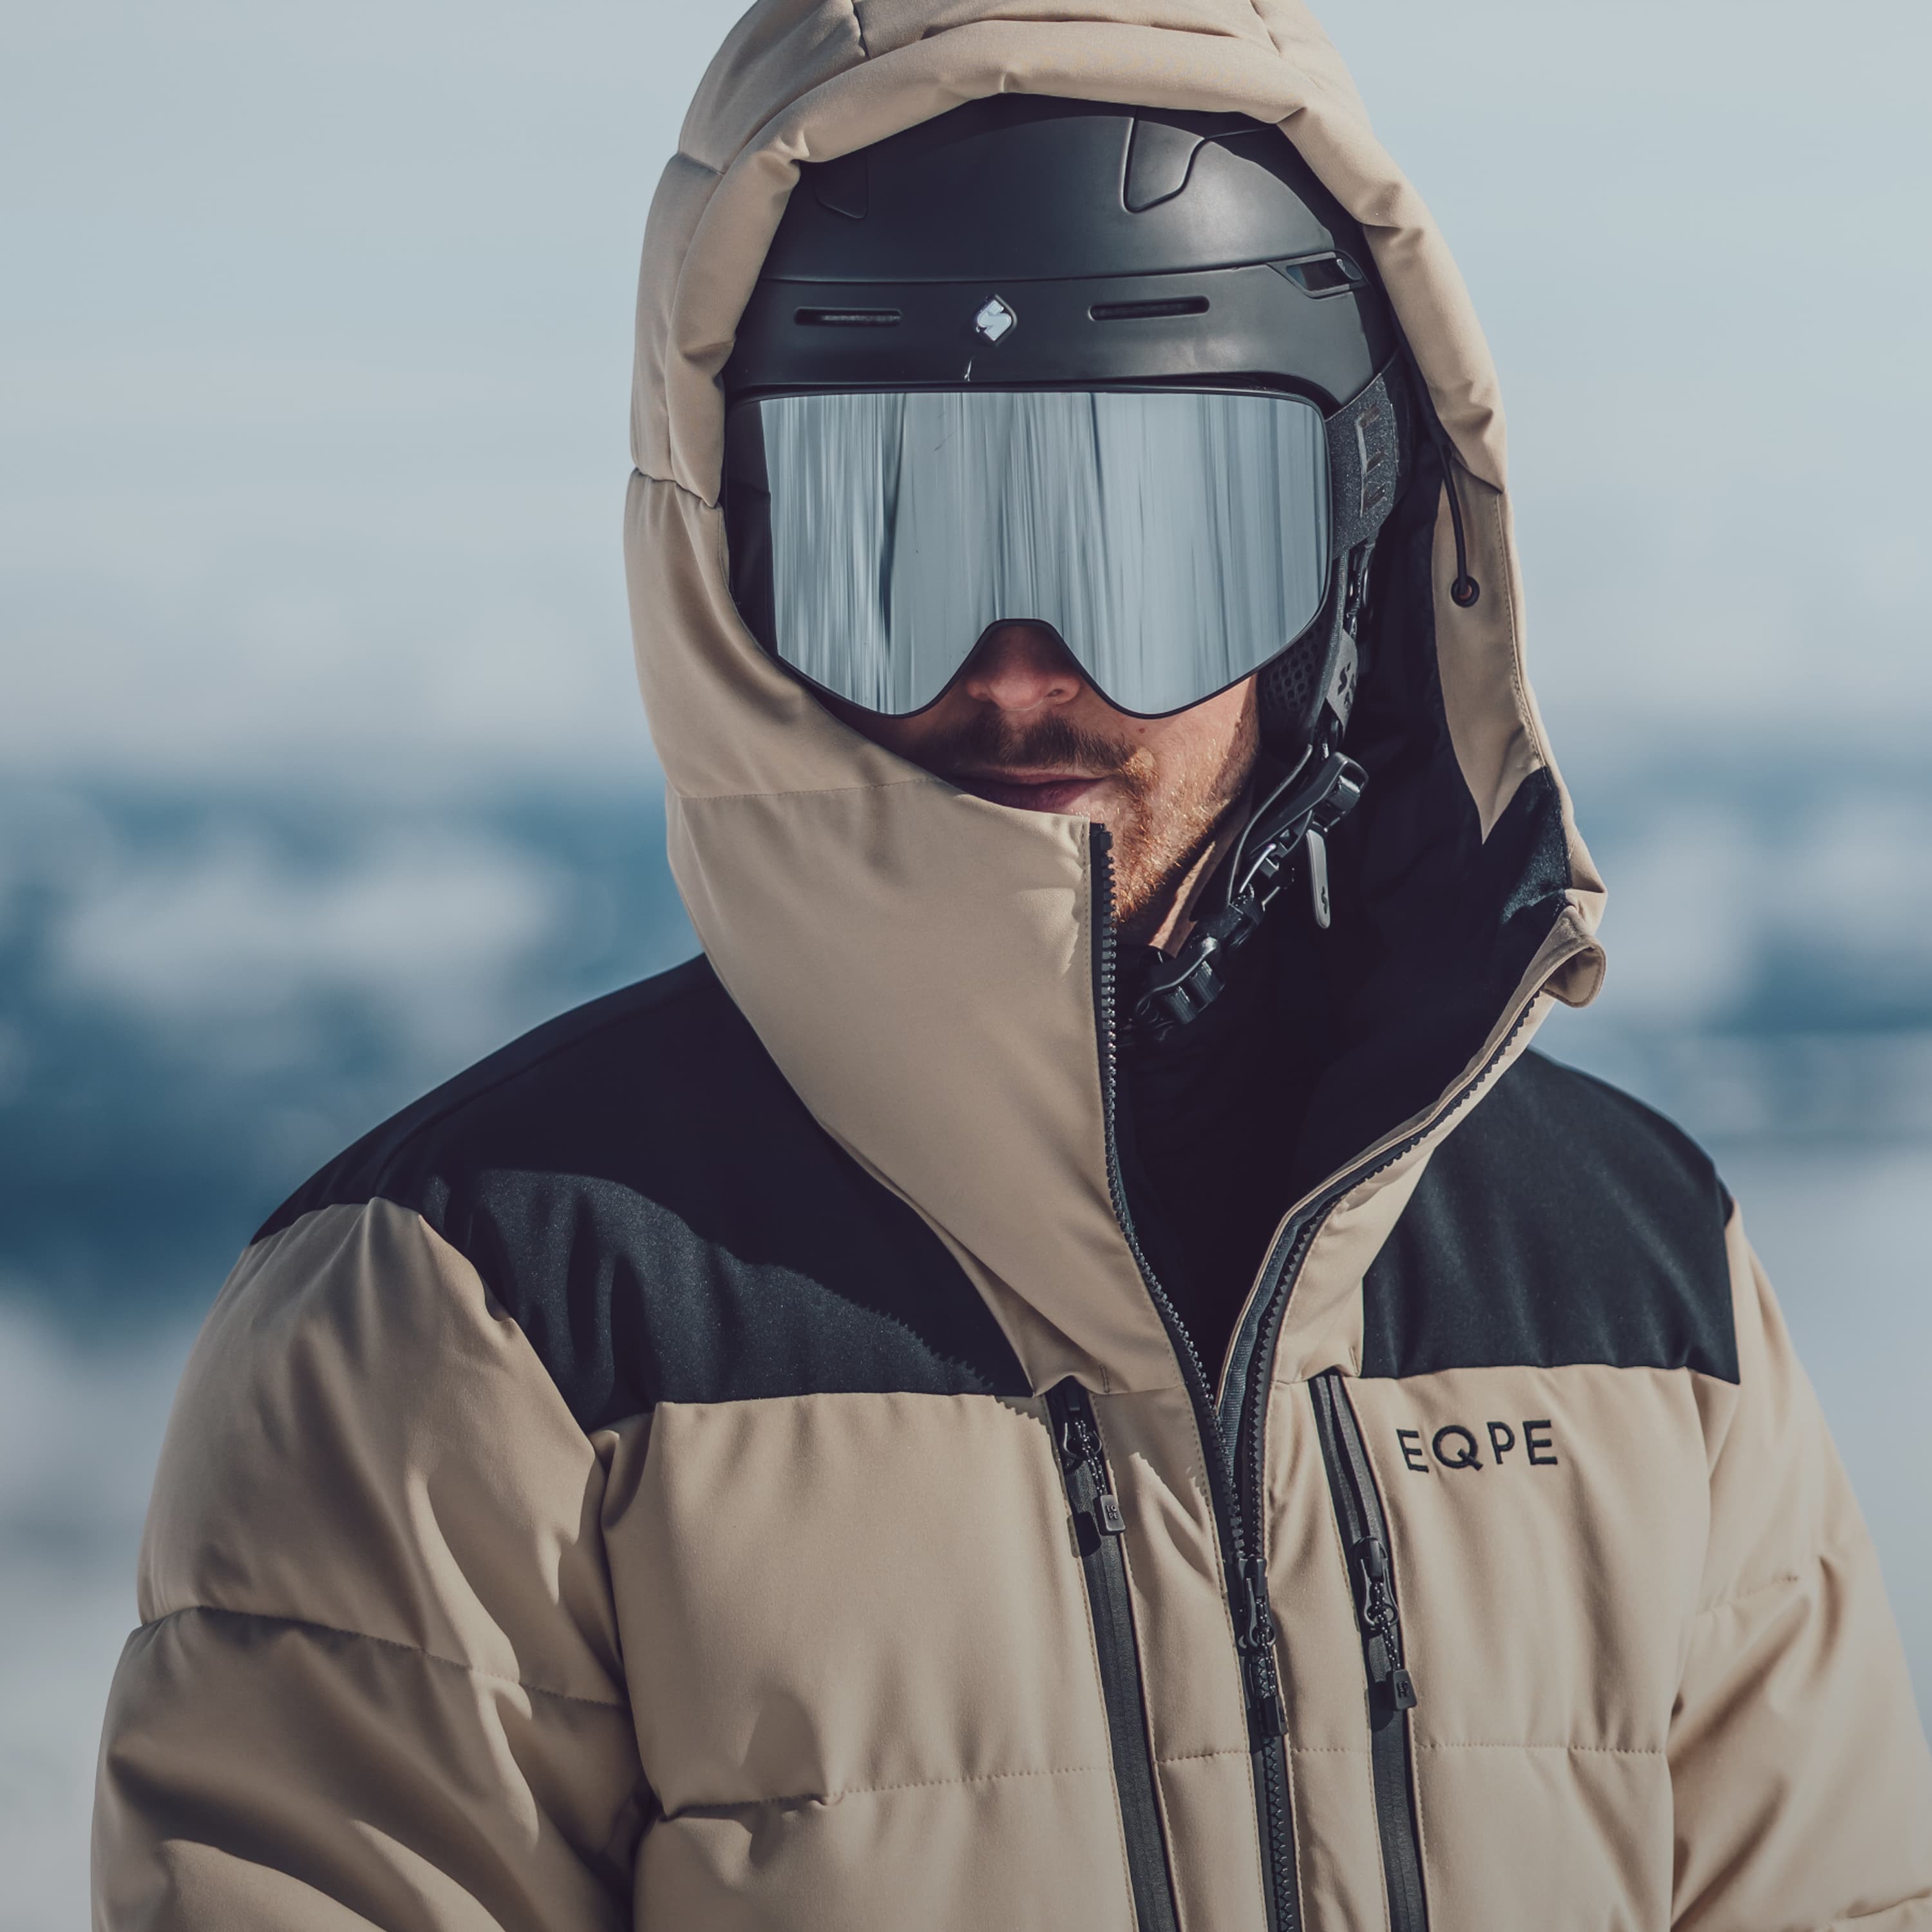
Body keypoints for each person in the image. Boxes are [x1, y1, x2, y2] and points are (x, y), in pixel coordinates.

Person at [93, 3, 1932, 1927]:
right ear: (732, 575)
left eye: (1162, 541)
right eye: (897, 543)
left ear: (1348, 558)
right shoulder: (475, 1319)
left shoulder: (1646, 1284)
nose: (1024, 672)